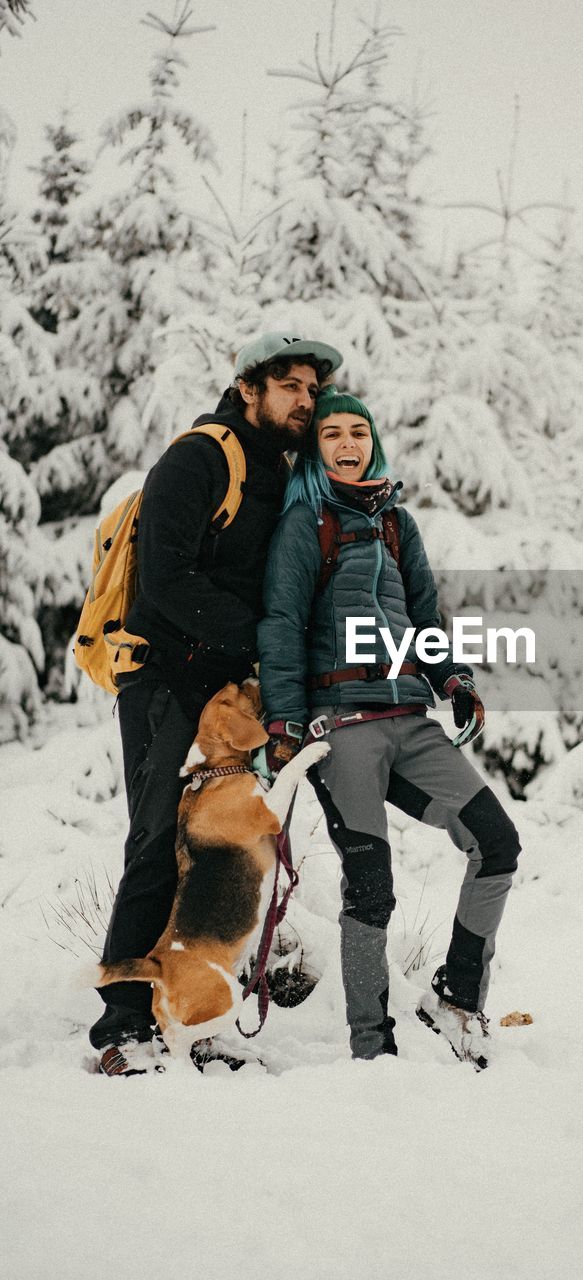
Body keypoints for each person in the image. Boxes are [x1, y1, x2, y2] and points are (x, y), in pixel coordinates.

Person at [91, 331, 343, 1077]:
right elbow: (165, 583)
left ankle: (191, 1015)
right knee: (158, 841)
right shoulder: (200, 458)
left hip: (228, 690)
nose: (303, 399)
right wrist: (266, 638)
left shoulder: (286, 474)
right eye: (288, 385)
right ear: (248, 389)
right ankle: (123, 1025)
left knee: (222, 856)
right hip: (166, 678)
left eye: (310, 389)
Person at [258, 387, 521, 1067]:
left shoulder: (398, 523)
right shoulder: (303, 524)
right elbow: (282, 625)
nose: (348, 445)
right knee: (371, 888)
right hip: (341, 728)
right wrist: (285, 722)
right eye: (331, 435)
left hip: (409, 717)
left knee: (495, 843)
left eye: (358, 433)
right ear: (314, 450)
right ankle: (371, 1049)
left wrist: (453, 679)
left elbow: (425, 618)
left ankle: (458, 999)